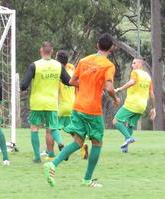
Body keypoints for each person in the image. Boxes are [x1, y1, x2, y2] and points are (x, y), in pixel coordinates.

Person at [44, 33, 120, 187]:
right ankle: (87, 179)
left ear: (97, 45)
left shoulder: (84, 61)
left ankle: (53, 164)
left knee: (78, 142)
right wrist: (115, 98)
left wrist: (86, 86)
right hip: (92, 109)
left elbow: (72, 81)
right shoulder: (108, 65)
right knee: (97, 143)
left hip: (78, 107)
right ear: (111, 48)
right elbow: (109, 87)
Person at [20, 42, 71, 163]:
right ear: (52, 51)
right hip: (52, 103)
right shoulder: (58, 66)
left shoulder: (35, 65)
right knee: (53, 128)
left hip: (37, 103)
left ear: (41, 51)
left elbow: (24, 85)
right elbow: (68, 81)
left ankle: (37, 157)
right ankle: (61, 143)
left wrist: (21, 89)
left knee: (34, 129)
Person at [45, 50, 88, 161]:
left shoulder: (57, 72)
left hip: (61, 106)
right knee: (72, 130)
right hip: (73, 105)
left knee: (50, 129)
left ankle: (52, 154)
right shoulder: (71, 69)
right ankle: (83, 147)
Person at [113, 58, 156, 153]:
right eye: (132, 63)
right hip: (142, 106)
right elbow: (152, 94)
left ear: (140, 65)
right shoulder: (148, 77)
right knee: (130, 125)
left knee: (116, 121)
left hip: (132, 103)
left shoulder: (135, 73)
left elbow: (132, 82)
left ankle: (129, 137)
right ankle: (125, 149)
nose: (132, 65)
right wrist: (153, 108)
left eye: (134, 63)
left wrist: (119, 89)